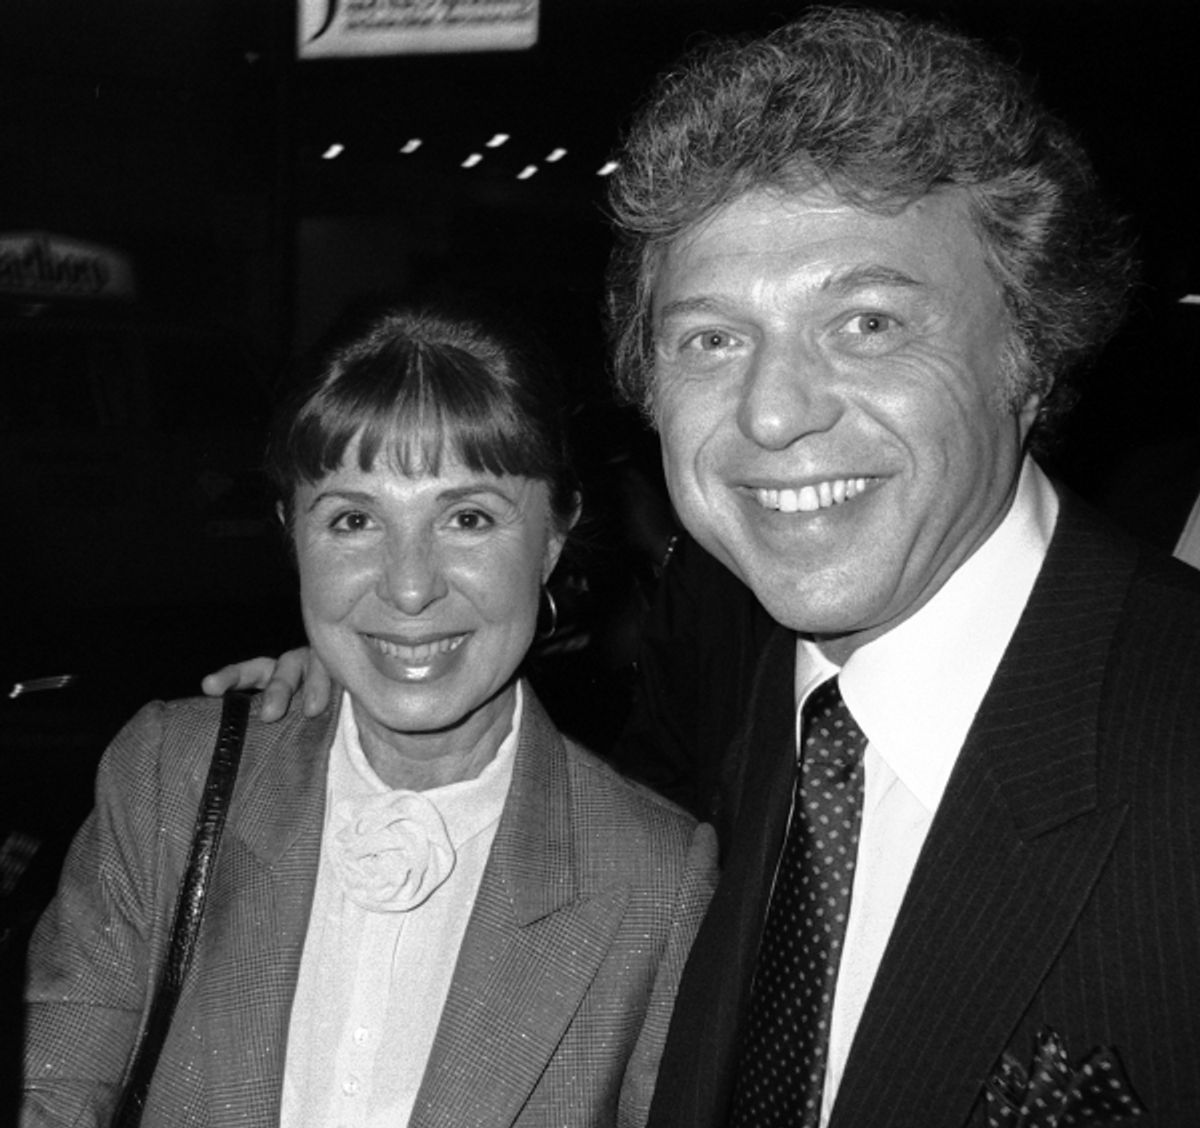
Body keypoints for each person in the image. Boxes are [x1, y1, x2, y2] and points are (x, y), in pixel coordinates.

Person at [205, 6, 1200, 1124]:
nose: (772, 413)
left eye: (866, 322)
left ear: (1030, 351)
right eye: (711, 340)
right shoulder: (759, 677)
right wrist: (384, 695)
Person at [21, 306, 718, 1127]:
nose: (410, 586)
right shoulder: (170, 782)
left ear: (555, 537)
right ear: (293, 534)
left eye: (469, 517)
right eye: (353, 520)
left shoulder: (658, 881)